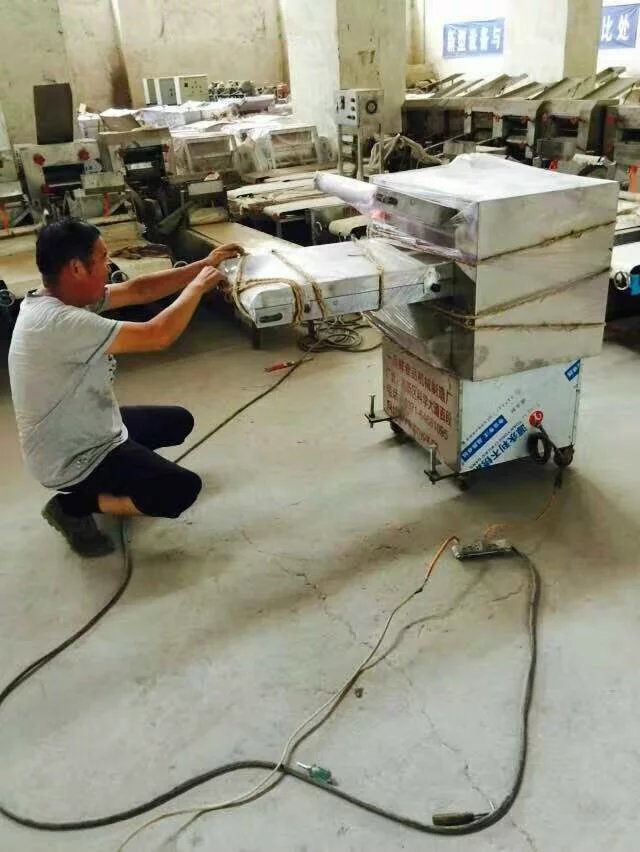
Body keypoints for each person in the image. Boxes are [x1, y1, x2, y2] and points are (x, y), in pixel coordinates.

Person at [8, 218, 243, 557]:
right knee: (180, 490)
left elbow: (138, 290)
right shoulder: (59, 322)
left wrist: (203, 265)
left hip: (88, 425)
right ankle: (72, 506)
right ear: (76, 268)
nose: (108, 266)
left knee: (179, 421)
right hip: (71, 456)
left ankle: (121, 476)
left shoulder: (60, 299)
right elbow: (157, 335)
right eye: (103, 258)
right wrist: (196, 288)